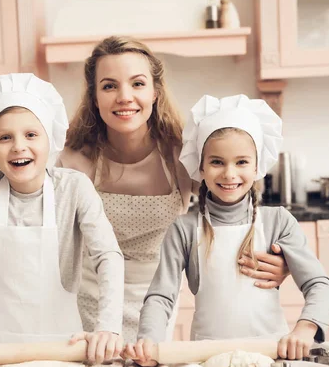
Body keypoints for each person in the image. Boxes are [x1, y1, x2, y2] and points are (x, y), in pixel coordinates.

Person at [55, 37, 291, 344]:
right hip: (89, 295)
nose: (125, 97)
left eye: (137, 84)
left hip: (158, 294)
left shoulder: (182, 155)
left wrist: (280, 258)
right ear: (95, 97)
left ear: (155, 92)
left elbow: (235, 204)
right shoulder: (72, 160)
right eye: (109, 86)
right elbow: (41, 223)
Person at [0, 73, 124, 367]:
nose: (18, 146)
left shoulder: (74, 187)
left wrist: (108, 326)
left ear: (50, 139)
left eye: (31, 135)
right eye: (4, 137)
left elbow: (107, 256)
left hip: (63, 347)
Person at [125, 94, 329, 366]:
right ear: (200, 166)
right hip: (207, 358)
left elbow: (317, 283)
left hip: (273, 354)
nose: (229, 174)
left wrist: (305, 329)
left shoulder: (278, 222)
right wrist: (148, 341)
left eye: (241, 162)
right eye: (217, 162)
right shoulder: (184, 229)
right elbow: (161, 296)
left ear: (258, 166)